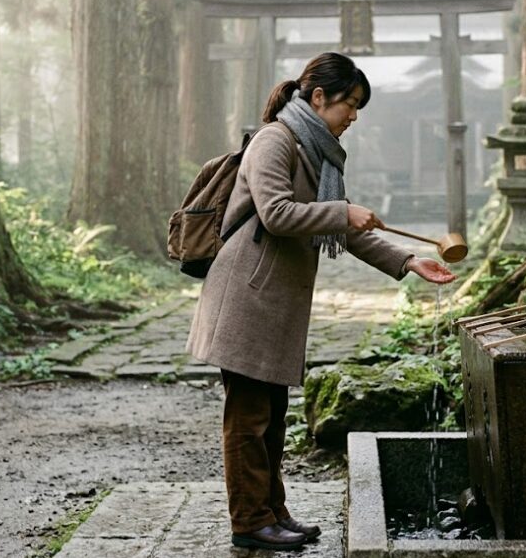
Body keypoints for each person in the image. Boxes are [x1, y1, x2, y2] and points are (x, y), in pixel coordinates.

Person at [186, 52, 456, 551]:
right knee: (247, 417)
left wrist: (409, 261)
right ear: (318, 98)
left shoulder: (320, 151)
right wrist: (341, 211)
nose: (352, 116)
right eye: (348, 104)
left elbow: (346, 230)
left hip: (273, 301)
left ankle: (272, 511)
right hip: (246, 296)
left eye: (357, 106)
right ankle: (249, 520)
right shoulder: (275, 140)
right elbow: (276, 212)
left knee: (272, 413)